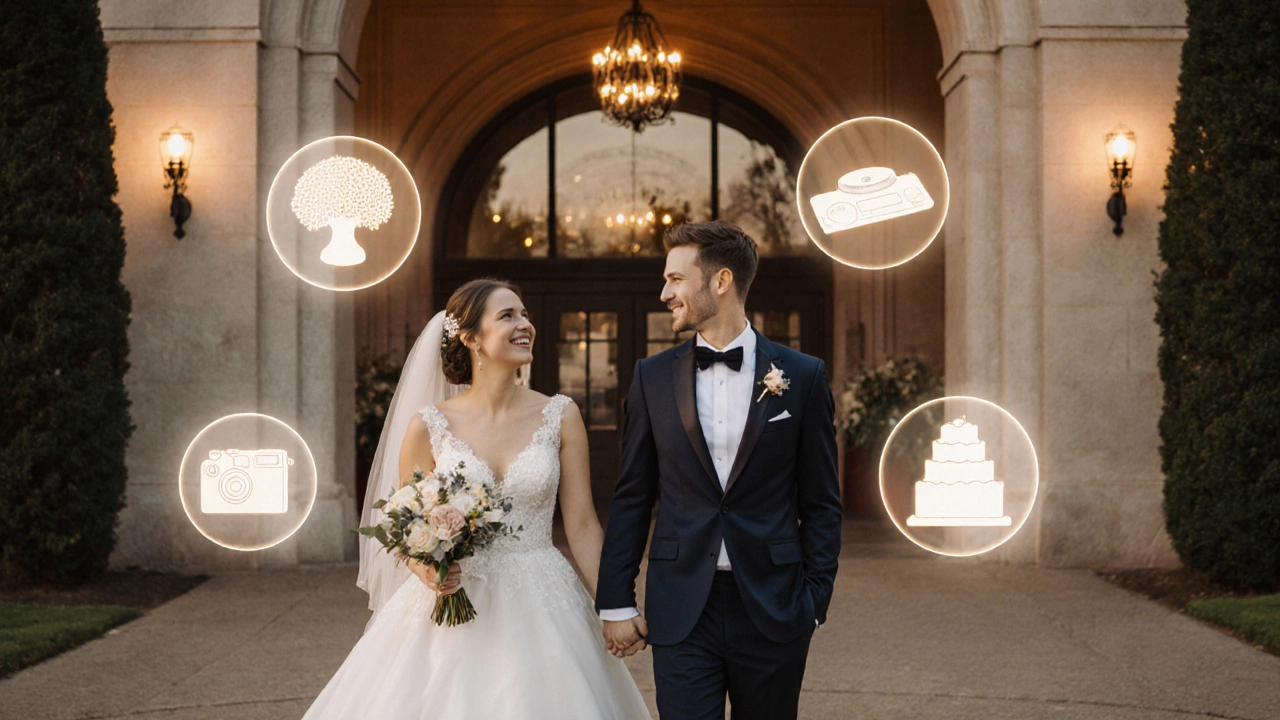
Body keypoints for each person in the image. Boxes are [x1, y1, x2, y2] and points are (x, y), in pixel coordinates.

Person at [303, 278, 650, 720]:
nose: (524, 324)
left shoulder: (561, 415)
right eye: (507, 316)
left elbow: (581, 525)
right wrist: (427, 568)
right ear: (471, 338)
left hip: (543, 599)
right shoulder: (429, 426)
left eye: (524, 314)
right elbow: (406, 524)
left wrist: (616, 605)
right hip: (452, 603)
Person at [596, 220, 842, 720]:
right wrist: (616, 601)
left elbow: (822, 502)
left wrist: (813, 601)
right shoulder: (652, 377)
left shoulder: (802, 375)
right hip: (682, 605)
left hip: (775, 605)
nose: (665, 293)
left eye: (676, 279)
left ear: (721, 281)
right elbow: (632, 497)